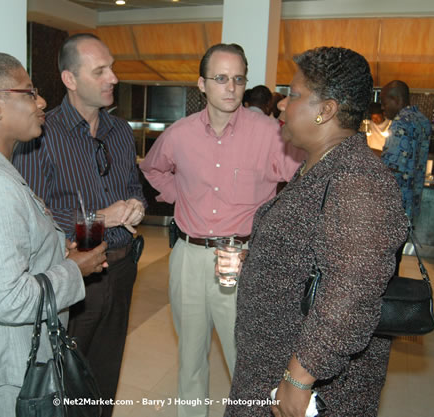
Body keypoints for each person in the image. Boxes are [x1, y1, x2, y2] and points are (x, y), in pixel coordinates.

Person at [223, 47, 407, 417]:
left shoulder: (357, 180)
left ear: (326, 110)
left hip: (311, 389)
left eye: (293, 95)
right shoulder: (319, 167)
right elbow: (311, 251)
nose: (280, 105)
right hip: (266, 369)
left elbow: (353, 291)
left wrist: (300, 376)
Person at [139, 43, 303, 417]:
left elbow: (300, 187)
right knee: (190, 359)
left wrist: (273, 235)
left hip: (244, 260)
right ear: (202, 84)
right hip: (188, 256)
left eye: (239, 79)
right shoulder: (179, 134)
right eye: (221, 78)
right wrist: (180, 196)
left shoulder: (270, 134)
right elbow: (153, 169)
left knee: (246, 364)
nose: (231, 87)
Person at [0, 52, 108, 417]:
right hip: (14, 366)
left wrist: (51, 253)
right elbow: (9, 300)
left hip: (11, 358)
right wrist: (74, 269)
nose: (42, 101)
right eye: (30, 92)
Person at [12, 33, 146, 417]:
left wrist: (135, 205)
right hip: (75, 274)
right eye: (100, 70)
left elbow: (133, 189)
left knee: (105, 377)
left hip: (120, 268)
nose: (113, 78)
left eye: (112, 68)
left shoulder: (119, 132)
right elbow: (35, 219)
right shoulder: (40, 134)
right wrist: (103, 217)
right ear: (70, 79)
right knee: (66, 379)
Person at [380, 80, 431, 275]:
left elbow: (392, 167)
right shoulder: (422, 120)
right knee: (397, 256)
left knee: (387, 258)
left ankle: (387, 299)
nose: (383, 107)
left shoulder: (401, 123)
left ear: (396, 99)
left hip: (394, 202)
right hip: (411, 202)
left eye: (385, 102)